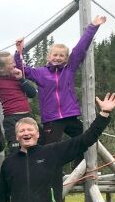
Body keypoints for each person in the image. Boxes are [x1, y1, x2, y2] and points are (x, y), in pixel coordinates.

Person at [15, 15, 106, 144]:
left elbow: (80, 48)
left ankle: (79, 165)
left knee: (85, 141)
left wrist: (93, 26)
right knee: (51, 149)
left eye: (61, 56)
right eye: (55, 55)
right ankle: (53, 165)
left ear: (66, 58)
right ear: (49, 56)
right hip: (52, 119)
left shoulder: (69, 69)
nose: (58, 58)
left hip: (70, 115)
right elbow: (21, 70)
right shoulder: (41, 72)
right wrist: (19, 52)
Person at [0, 52, 38, 153]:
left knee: (37, 146)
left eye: (13, 61)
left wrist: (21, 79)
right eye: (10, 63)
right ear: (1, 69)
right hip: (12, 119)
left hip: (28, 116)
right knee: (15, 148)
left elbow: (32, 93)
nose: (14, 64)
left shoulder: (17, 77)